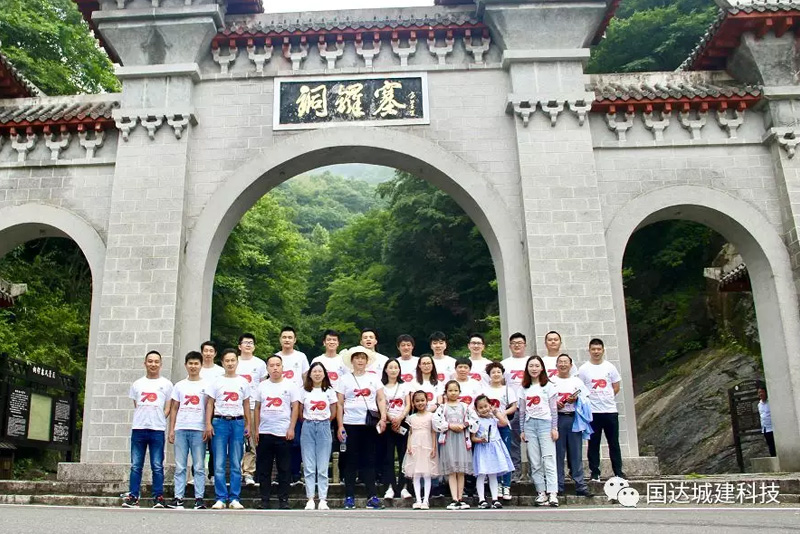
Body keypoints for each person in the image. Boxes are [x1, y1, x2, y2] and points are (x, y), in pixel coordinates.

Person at [336, 345, 388, 509]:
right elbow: (339, 403)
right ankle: (349, 496)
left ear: (367, 361)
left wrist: (383, 418)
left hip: (369, 424)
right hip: (350, 423)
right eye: (357, 358)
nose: (360, 361)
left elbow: (381, 399)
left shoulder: (373, 378)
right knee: (350, 460)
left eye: (363, 358)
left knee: (369, 459)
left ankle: (372, 496)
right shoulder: (344, 379)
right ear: (352, 361)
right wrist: (340, 425)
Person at [122, 350, 173, 508]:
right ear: (145, 363)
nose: (153, 364)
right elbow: (136, 404)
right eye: (150, 361)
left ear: (161, 364)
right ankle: (133, 497)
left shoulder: (166, 384)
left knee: (157, 465)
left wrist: (159, 418)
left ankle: (158, 497)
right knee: (136, 465)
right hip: (139, 428)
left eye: (156, 361)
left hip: (157, 429)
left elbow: (168, 407)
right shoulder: (137, 384)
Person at [205, 348, 251, 509]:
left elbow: (246, 404)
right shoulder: (216, 381)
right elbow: (210, 403)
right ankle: (220, 497)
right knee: (219, 462)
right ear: (222, 363)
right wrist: (208, 423)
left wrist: (248, 424)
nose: (230, 363)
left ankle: (234, 498)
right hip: (220, 422)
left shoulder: (243, 382)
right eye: (227, 361)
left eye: (233, 360)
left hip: (237, 422)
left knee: (236, 461)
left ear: (237, 362)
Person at [253, 354, 301, 510]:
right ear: (267, 368)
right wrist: (256, 430)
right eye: (271, 365)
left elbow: (295, 407)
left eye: (277, 365)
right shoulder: (262, 386)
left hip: (283, 432)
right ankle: (264, 500)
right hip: (265, 432)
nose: (275, 368)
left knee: (284, 468)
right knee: (264, 469)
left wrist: (291, 428)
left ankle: (284, 500)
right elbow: (257, 408)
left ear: (282, 367)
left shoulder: (290, 385)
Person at [578, 338, 625, 481]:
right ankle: (595, 472)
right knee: (593, 443)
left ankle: (618, 472)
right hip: (593, 412)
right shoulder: (584, 369)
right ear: (589, 350)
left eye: (599, 349)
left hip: (610, 411)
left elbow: (616, 387)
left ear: (603, 350)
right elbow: (581, 389)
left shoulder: (610, 367)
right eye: (593, 349)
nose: (596, 352)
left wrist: (606, 397)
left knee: (614, 443)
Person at [167, 351, 208, 509]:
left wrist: (207, 426)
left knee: (198, 466)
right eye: (190, 363)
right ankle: (178, 497)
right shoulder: (179, 385)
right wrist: (171, 429)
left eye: (196, 363)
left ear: (201, 365)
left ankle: (199, 498)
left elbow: (209, 407)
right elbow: (174, 408)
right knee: (180, 466)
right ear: (186, 365)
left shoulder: (206, 385)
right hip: (181, 428)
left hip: (199, 429)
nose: (193, 366)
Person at [519, 355, 559, 507]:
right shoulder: (524, 388)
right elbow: (522, 411)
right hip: (530, 426)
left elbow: (554, 409)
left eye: (537, 366)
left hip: (545, 425)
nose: (534, 369)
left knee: (548, 459)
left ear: (542, 368)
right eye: (531, 366)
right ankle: (541, 492)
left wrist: (554, 427)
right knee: (535, 461)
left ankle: (553, 493)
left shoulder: (548, 386)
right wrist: (522, 429)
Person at [551, 354, 592, 497]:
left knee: (576, 453)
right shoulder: (551, 382)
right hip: (557, 419)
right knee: (558, 454)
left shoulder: (577, 381)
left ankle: (580, 485)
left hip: (574, 418)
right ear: (556, 365)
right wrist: (555, 404)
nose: (563, 365)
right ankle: (558, 486)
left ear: (570, 365)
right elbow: (545, 400)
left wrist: (576, 399)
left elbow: (586, 399)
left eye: (566, 362)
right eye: (560, 362)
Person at [300, 361, 338, 510]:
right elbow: (300, 410)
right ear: (310, 374)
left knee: (322, 466)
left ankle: (323, 499)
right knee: (309, 465)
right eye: (314, 371)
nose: (317, 374)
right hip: (308, 426)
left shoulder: (329, 391)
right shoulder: (304, 390)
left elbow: (333, 411)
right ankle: (310, 498)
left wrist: (324, 421)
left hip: (324, 426)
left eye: (320, 371)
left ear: (324, 374)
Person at [275, 326, 310, 486]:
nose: (287, 340)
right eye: (284, 337)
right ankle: (281, 474)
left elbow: (305, 378)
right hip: (278, 405)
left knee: (296, 441)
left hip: (297, 404)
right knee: (279, 440)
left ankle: (295, 474)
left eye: (290, 337)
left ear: (295, 340)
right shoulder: (276, 357)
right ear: (280, 339)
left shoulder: (301, 357)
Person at [434, 380, 474, 510]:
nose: (453, 393)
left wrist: (464, 425)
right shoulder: (442, 408)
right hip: (448, 439)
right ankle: (454, 498)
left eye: (456, 390)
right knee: (451, 470)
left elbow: (474, 419)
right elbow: (436, 422)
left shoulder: (465, 407)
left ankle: (460, 498)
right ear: (446, 392)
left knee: (460, 470)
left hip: (462, 439)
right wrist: (450, 426)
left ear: (459, 392)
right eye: (450, 390)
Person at [471, 394, 514, 509]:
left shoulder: (493, 419)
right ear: (476, 409)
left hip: (494, 448)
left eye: (486, 406)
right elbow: (473, 437)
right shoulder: (476, 421)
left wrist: (496, 412)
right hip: (482, 449)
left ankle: (495, 499)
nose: (484, 409)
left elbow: (504, 423)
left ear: (490, 406)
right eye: (480, 408)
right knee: (481, 474)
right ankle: (481, 499)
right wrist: (480, 440)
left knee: (493, 474)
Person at [236, 333, 266, 487]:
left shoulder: (260, 364)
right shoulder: (234, 361)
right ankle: (235, 471)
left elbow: (263, 386)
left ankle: (248, 472)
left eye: (251, 342)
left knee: (251, 441)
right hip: (234, 408)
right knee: (235, 441)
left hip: (253, 407)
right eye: (245, 342)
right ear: (239, 346)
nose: (248, 345)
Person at [484, 361, 517, 501]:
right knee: (493, 455)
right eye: (493, 372)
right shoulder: (484, 390)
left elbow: (514, 406)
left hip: (504, 425)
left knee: (506, 454)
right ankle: (496, 484)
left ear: (502, 374)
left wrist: (503, 413)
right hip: (490, 426)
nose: (496, 374)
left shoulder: (508, 390)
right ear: (489, 375)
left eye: (498, 372)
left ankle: (506, 485)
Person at [381, 358, 412, 500]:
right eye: (390, 367)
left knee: (403, 455)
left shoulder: (405, 386)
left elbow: (408, 404)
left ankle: (404, 487)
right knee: (387, 456)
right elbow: (380, 403)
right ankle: (390, 487)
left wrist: (400, 418)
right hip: (387, 424)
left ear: (399, 370)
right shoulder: (381, 386)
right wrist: (390, 418)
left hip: (402, 423)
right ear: (385, 370)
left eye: (396, 367)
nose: (393, 370)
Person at [403, 390, 438, 510]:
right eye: (417, 401)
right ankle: (418, 499)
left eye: (422, 400)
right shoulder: (411, 418)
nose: (420, 403)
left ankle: (426, 500)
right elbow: (410, 433)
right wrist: (408, 446)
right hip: (415, 446)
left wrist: (434, 447)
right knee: (416, 474)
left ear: (427, 401)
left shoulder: (431, 416)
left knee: (427, 474)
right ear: (413, 403)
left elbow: (433, 433)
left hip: (427, 446)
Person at [501, 332, 528, 479]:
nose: (517, 345)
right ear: (510, 346)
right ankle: (515, 473)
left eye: (520, 343)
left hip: (531, 407)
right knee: (514, 442)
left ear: (525, 345)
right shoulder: (505, 364)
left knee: (533, 441)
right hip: (513, 407)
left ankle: (534, 473)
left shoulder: (531, 361)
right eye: (514, 343)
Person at [199, 341, 223, 485]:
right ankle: (197, 473)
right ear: (202, 352)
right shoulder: (197, 368)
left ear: (215, 353)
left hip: (216, 411)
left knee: (215, 444)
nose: (208, 353)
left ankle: (213, 473)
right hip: (197, 410)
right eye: (205, 351)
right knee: (199, 444)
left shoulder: (220, 371)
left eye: (211, 351)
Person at [758, 384, 776, 457]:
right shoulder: (759, 404)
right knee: (771, 447)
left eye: (762, 392)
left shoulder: (770, 402)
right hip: (765, 429)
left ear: (766, 392)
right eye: (759, 392)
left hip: (773, 428)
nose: (760, 394)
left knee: (775, 446)